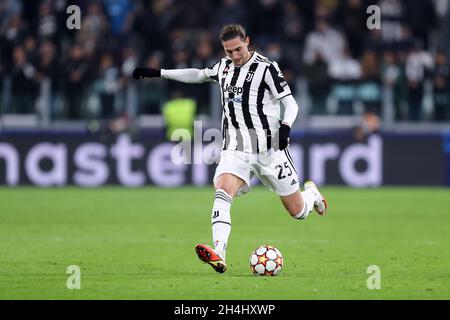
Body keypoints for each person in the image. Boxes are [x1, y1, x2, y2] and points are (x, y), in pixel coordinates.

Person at [132, 24, 328, 273]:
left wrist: (286, 127)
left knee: (298, 211)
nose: (235, 56)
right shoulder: (223, 67)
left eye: (238, 49)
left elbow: (291, 103)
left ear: (247, 41)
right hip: (236, 147)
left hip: (270, 150)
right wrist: (159, 72)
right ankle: (219, 252)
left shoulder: (266, 68)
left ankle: (312, 195)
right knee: (222, 190)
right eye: (229, 51)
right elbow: (198, 75)